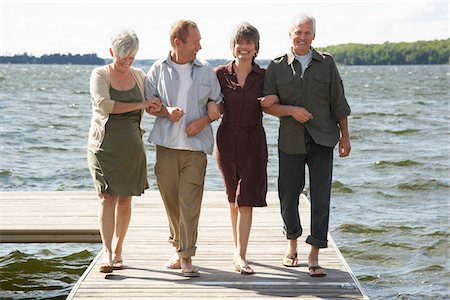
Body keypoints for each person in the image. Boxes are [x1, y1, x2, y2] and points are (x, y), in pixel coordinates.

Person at [263, 14, 351, 277]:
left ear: (314, 36)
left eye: (307, 33)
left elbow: (339, 101)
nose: (302, 37)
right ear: (290, 34)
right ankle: (292, 243)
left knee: (321, 197)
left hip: (323, 139)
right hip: (290, 140)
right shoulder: (276, 66)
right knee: (288, 195)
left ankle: (314, 252)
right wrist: (291, 110)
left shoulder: (327, 63)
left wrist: (345, 136)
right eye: (298, 32)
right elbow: (267, 105)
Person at [144, 19, 222, 277]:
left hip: (195, 149)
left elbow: (218, 103)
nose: (200, 45)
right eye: (195, 41)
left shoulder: (206, 71)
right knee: (171, 203)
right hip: (166, 146)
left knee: (190, 203)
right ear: (178, 43)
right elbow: (148, 103)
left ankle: (187, 256)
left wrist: (204, 120)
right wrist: (166, 112)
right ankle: (178, 248)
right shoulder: (157, 69)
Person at [87, 29, 161, 273]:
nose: (127, 62)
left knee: (125, 200)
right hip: (104, 147)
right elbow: (104, 105)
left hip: (131, 147)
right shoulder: (100, 74)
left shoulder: (139, 75)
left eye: (132, 58)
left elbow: (152, 102)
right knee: (107, 198)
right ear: (112, 53)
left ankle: (119, 250)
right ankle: (106, 252)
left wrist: (157, 106)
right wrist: (141, 103)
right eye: (123, 58)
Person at [214, 23, 277, 275]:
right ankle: (236, 248)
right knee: (233, 198)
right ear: (233, 46)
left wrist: (275, 100)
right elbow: (210, 99)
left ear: (256, 47)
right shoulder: (220, 74)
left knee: (245, 199)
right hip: (227, 141)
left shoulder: (264, 76)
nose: (244, 47)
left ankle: (241, 255)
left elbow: (276, 97)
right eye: (240, 42)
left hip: (253, 141)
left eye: (249, 43)